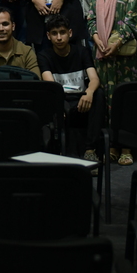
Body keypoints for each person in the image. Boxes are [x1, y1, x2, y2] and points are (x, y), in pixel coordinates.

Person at [85, 0, 137, 166]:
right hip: (102, 55)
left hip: (124, 56)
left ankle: (127, 147)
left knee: (124, 101)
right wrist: (97, 39)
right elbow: (90, 17)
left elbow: (132, 20)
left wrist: (114, 44)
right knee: (106, 102)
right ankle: (113, 146)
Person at [38, 14, 104, 165]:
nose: (59, 38)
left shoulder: (82, 51)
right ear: (48, 36)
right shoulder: (44, 56)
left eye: (62, 32)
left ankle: (90, 150)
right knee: (50, 101)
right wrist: (59, 104)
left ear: (70, 33)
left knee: (98, 94)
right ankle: (63, 152)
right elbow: (50, 86)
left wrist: (89, 93)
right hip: (62, 100)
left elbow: (94, 79)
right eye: (54, 33)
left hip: (82, 99)